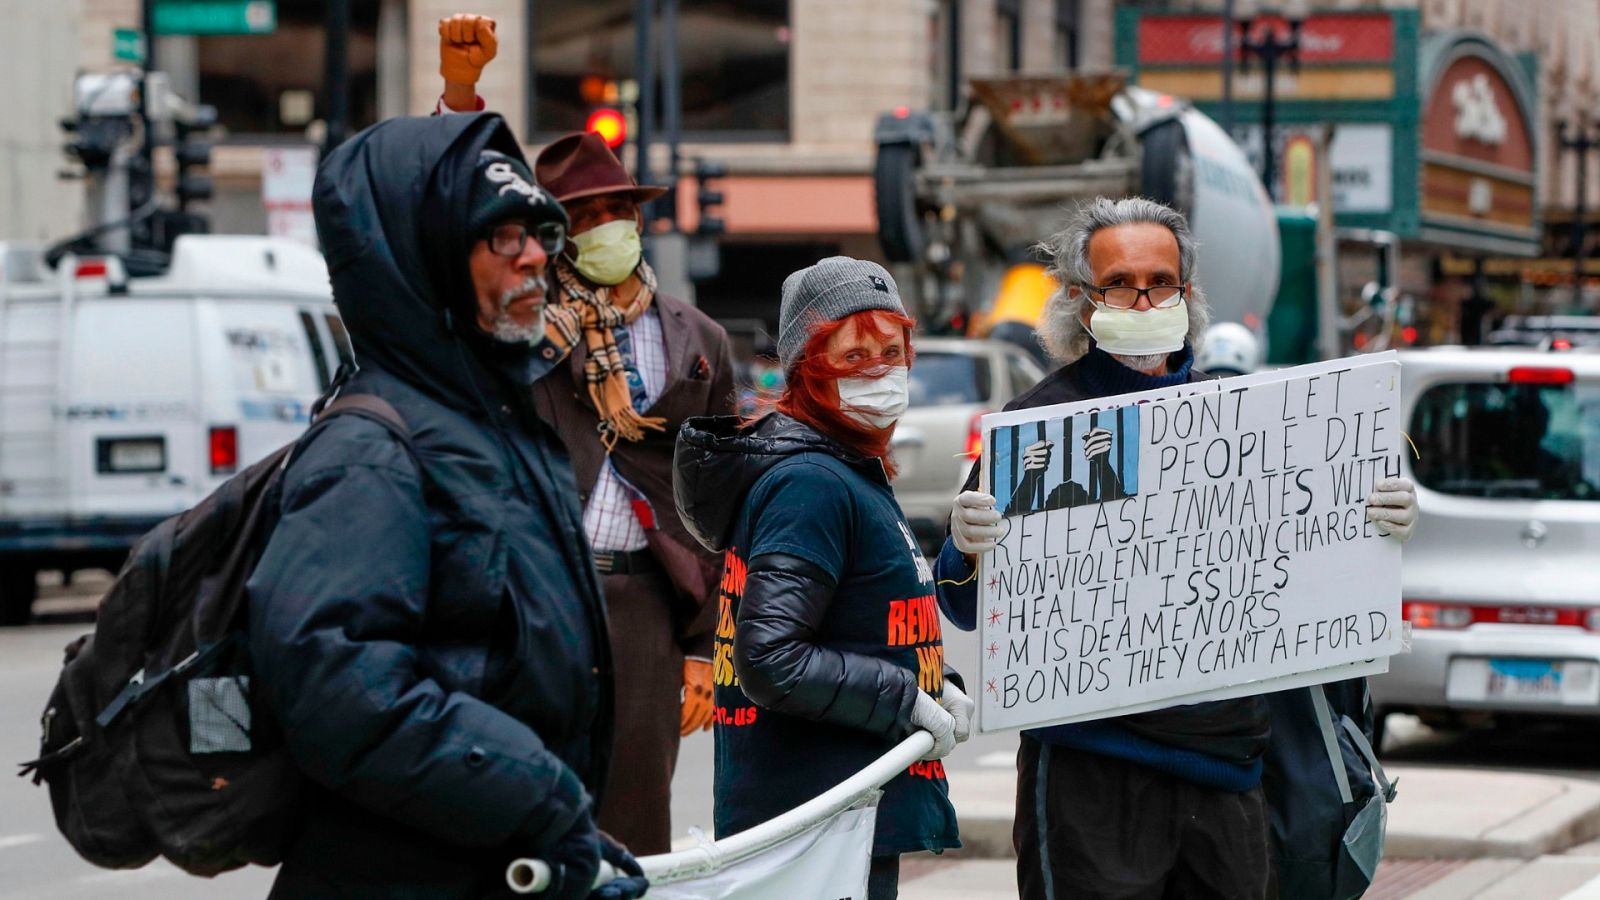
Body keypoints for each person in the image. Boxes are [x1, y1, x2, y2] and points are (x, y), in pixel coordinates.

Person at [934, 197, 1419, 900]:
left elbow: (1312, 570)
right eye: (1121, 283)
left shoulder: (1247, 421)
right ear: (1080, 299)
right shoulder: (1037, 429)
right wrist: (963, 549)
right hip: (1088, 778)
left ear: (1187, 293)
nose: (1143, 298)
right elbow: (970, 609)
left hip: (1227, 775)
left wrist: (1378, 527)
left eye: (1160, 281)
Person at [246, 112, 646, 900]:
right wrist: (540, 796)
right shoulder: (372, 452)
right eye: (502, 238)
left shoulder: (493, 423)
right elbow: (341, 689)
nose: (535, 257)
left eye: (541, 232)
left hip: (488, 864)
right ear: (426, 262)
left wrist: (559, 828)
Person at [437, 14, 737, 855]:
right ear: (551, 233)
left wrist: (705, 648)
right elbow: (442, 219)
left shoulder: (697, 338)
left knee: (637, 820)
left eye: (617, 208)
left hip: (648, 601)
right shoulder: (517, 327)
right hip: (536, 595)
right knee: (525, 809)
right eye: (583, 213)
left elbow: (718, 506)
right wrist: (461, 96)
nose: (607, 225)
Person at [674, 257, 972, 899]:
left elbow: (850, 624)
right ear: (806, 366)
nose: (881, 370)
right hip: (819, 826)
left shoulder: (845, 467)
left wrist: (935, 683)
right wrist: (903, 696)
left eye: (892, 350)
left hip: (838, 816)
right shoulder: (809, 483)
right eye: (855, 353)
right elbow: (773, 658)